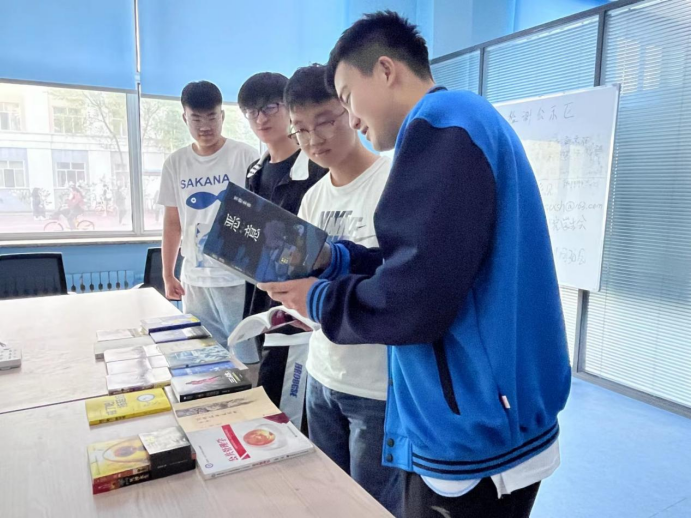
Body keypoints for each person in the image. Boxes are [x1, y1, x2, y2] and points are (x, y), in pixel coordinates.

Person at [259, 12, 571, 519]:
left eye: (347, 98)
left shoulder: (442, 125)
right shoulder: (459, 122)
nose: (351, 118)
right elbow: (425, 262)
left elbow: (412, 300)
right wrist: (337, 258)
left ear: (385, 70)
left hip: (477, 434)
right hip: (486, 415)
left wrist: (317, 299)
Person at [284, 64, 401, 516]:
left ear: (350, 112)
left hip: (376, 388)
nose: (314, 139)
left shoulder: (394, 182)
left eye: (325, 121)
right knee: (329, 502)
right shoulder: (312, 197)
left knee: (373, 507)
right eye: (300, 129)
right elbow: (304, 281)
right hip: (322, 374)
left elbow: (398, 288)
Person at [237, 72, 327, 421]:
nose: (260, 118)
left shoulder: (316, 169)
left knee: (286, 416)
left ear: (288, 108)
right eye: (251, 111)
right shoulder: (254, 171)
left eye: (269, 107)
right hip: (261, 303)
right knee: (267, 401)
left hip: (298, 312)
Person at [158, 80, 259, 352]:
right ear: (184, 118)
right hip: (194, 279)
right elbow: (172, 223)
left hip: (237, 280)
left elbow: (259, 219)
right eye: (196, 119)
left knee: (246, 356)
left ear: (222, 116)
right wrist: (168, 273)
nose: (205, 126)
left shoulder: (245, 156)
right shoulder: (175, 163)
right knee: (203, 356)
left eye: (212, 117)